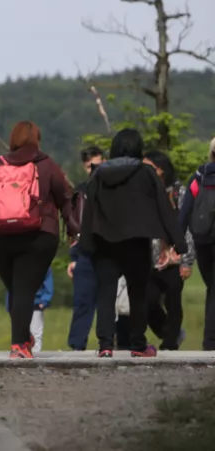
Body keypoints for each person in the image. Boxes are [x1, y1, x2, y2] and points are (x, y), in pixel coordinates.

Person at [0, 120, 76, 359]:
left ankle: (22, 339)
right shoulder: (47, 165)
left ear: (13, 139)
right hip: (39, 236)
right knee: (24, 290)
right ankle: (19, 344)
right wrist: (73, 231)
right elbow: (66, 199)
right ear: (37, 139)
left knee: (18, 290)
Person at [78, 129, 187, 358]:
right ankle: (138, 345)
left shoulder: (98, 174)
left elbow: (89, 211)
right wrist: (178, 242)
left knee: (106, 293)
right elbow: (163, 208)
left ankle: (105, 345)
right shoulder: (146, 173)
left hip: (103, 241)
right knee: (138, 294)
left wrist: (85, 245)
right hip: (137, 241)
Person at [143, 150, 193, 350]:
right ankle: (167, 331)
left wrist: (186, 260)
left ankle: (170, 343)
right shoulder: (144, 192)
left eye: (150, 167)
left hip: (174, 257)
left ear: (161, 170)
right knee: (148, 300)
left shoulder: (179, 192)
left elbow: (188, 228)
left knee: (173, 302)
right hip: (150, 257)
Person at [66, 145, 104, 351]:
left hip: (109, 251)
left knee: (112, 304)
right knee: (82, 302)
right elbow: (74, 227)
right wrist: (73, 257)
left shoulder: (113, 188)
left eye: (98, 165)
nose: (94, 171)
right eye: (90, 167)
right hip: (86, 252)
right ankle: (76, 345)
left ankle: (111, 343)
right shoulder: (80, 192)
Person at [179, 136, 215, 350]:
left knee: (212, 287)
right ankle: (210, 342)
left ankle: (210, 341)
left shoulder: (198, 178)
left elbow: (184, 214)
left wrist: (177, 244)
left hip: (202, 242)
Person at [6, 269, 53, 353]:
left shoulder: (43, 263)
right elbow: (10, 286)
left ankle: (35, 353)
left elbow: (48, 282)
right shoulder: (15, 265)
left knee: (36, 332)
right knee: (20, 332)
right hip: (18, 305)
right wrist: (9, 304)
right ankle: (21, 351)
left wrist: (45, 300)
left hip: (36, 303)